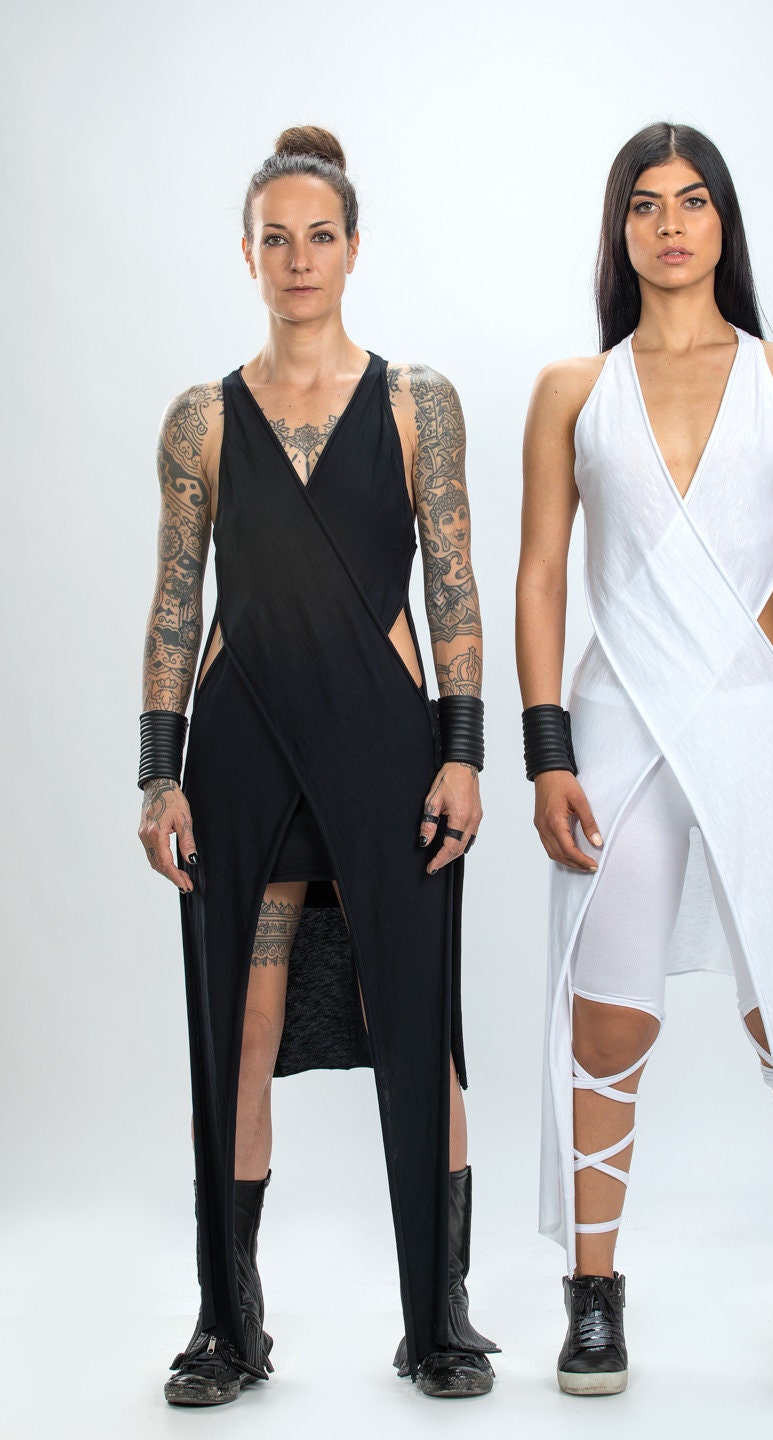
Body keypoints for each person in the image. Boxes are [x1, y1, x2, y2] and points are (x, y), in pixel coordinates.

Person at [138, 125, 497, 1406]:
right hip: (240, 749)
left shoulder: (416, 403)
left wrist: (463, 752)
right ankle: (228, 1327)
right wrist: (157, 773)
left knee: (419, 1027)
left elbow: (454, 585)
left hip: (387, 743)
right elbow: (176, 600)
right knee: (239, 1029)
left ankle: (440, 1319)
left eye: (321, 236)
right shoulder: (202, 419)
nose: (299, 258)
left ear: (353, 249)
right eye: (276, 238)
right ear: (248, 254)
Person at [516, 121, 773, 1397]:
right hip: (615, 731)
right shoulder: (573, 388)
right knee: (606, 1021)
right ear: (620, 231)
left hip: (760, 723)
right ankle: (593, 1296)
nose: (671, 225)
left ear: (724, 221)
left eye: (694, 200)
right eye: (646, 205)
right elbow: (542, 576)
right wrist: (545, 753)